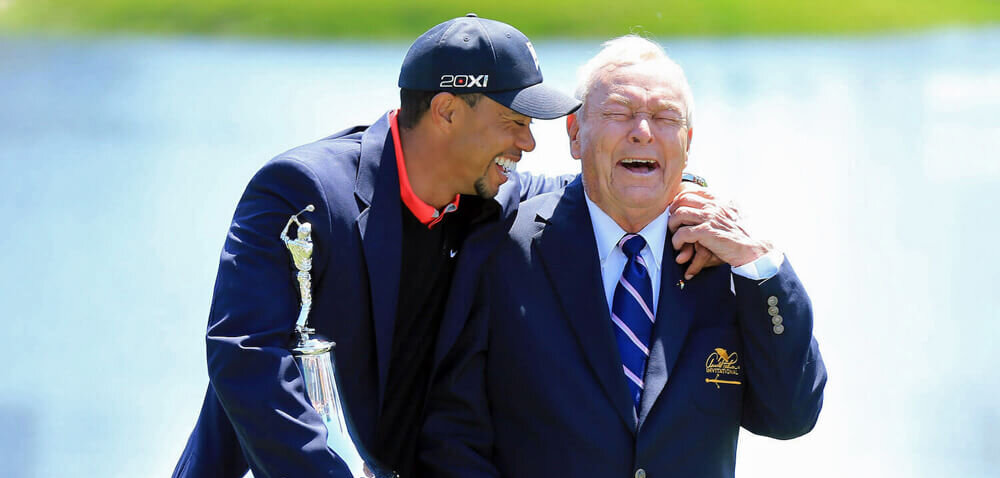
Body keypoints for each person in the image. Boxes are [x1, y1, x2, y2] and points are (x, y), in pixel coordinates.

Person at [170, 14, 585, 478]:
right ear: (447, 111)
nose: (528, 143)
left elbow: (594, 193)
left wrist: (659, 167)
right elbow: (246, 354)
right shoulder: (302, 191)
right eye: (514, 121)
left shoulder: (492, 197)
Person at [419, 35, 827, 478]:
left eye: (665, 117)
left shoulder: (730, 263)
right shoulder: (502, 249)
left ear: (687, 143)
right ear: (575, 134)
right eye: (618, 113)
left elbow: (790, 415)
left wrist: (759, 262)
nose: (643, 131)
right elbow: (452, 435)